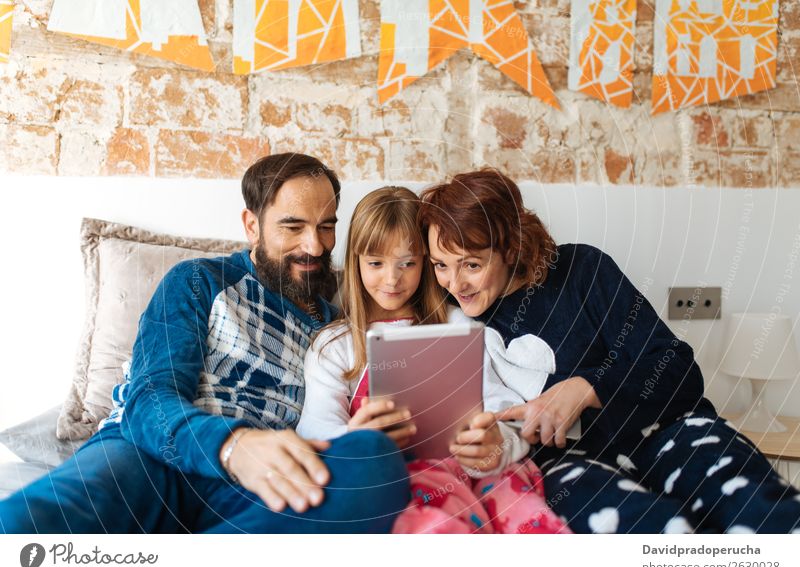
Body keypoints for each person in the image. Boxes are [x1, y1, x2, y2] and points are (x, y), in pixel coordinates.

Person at [0, 153, 410, 534]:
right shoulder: (198, 280)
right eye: (293, 227)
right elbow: (149, 400)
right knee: (27, 522)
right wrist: (234, 446)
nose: (315, 246)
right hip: (149, 458)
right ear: (252, 225)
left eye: (326, 226)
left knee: (373, 461)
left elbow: (326, 425)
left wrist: (349, 437)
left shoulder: (338, 327)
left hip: (258, 485)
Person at [417, 168, 800, 534]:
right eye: (441, 265)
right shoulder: (458, 325)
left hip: (668, 431)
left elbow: (680, 372)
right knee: (652, 531)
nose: (456, 283)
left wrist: (585, 388)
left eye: (471, 264)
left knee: (760, 511)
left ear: (510, 248)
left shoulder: (582, 269)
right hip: (571, 465)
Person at [297, 186, 570, 534]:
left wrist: (494, 440)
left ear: (426, 262)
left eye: (407, 263)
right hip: (399, 475)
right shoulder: (334, 345)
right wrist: (357, 438)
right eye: (376, 263)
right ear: (355, 262)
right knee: (428, 515)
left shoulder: (458, 326)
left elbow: (505, 407)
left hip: (471, 467)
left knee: (520, 508)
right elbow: (314, 429)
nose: (392, 279)